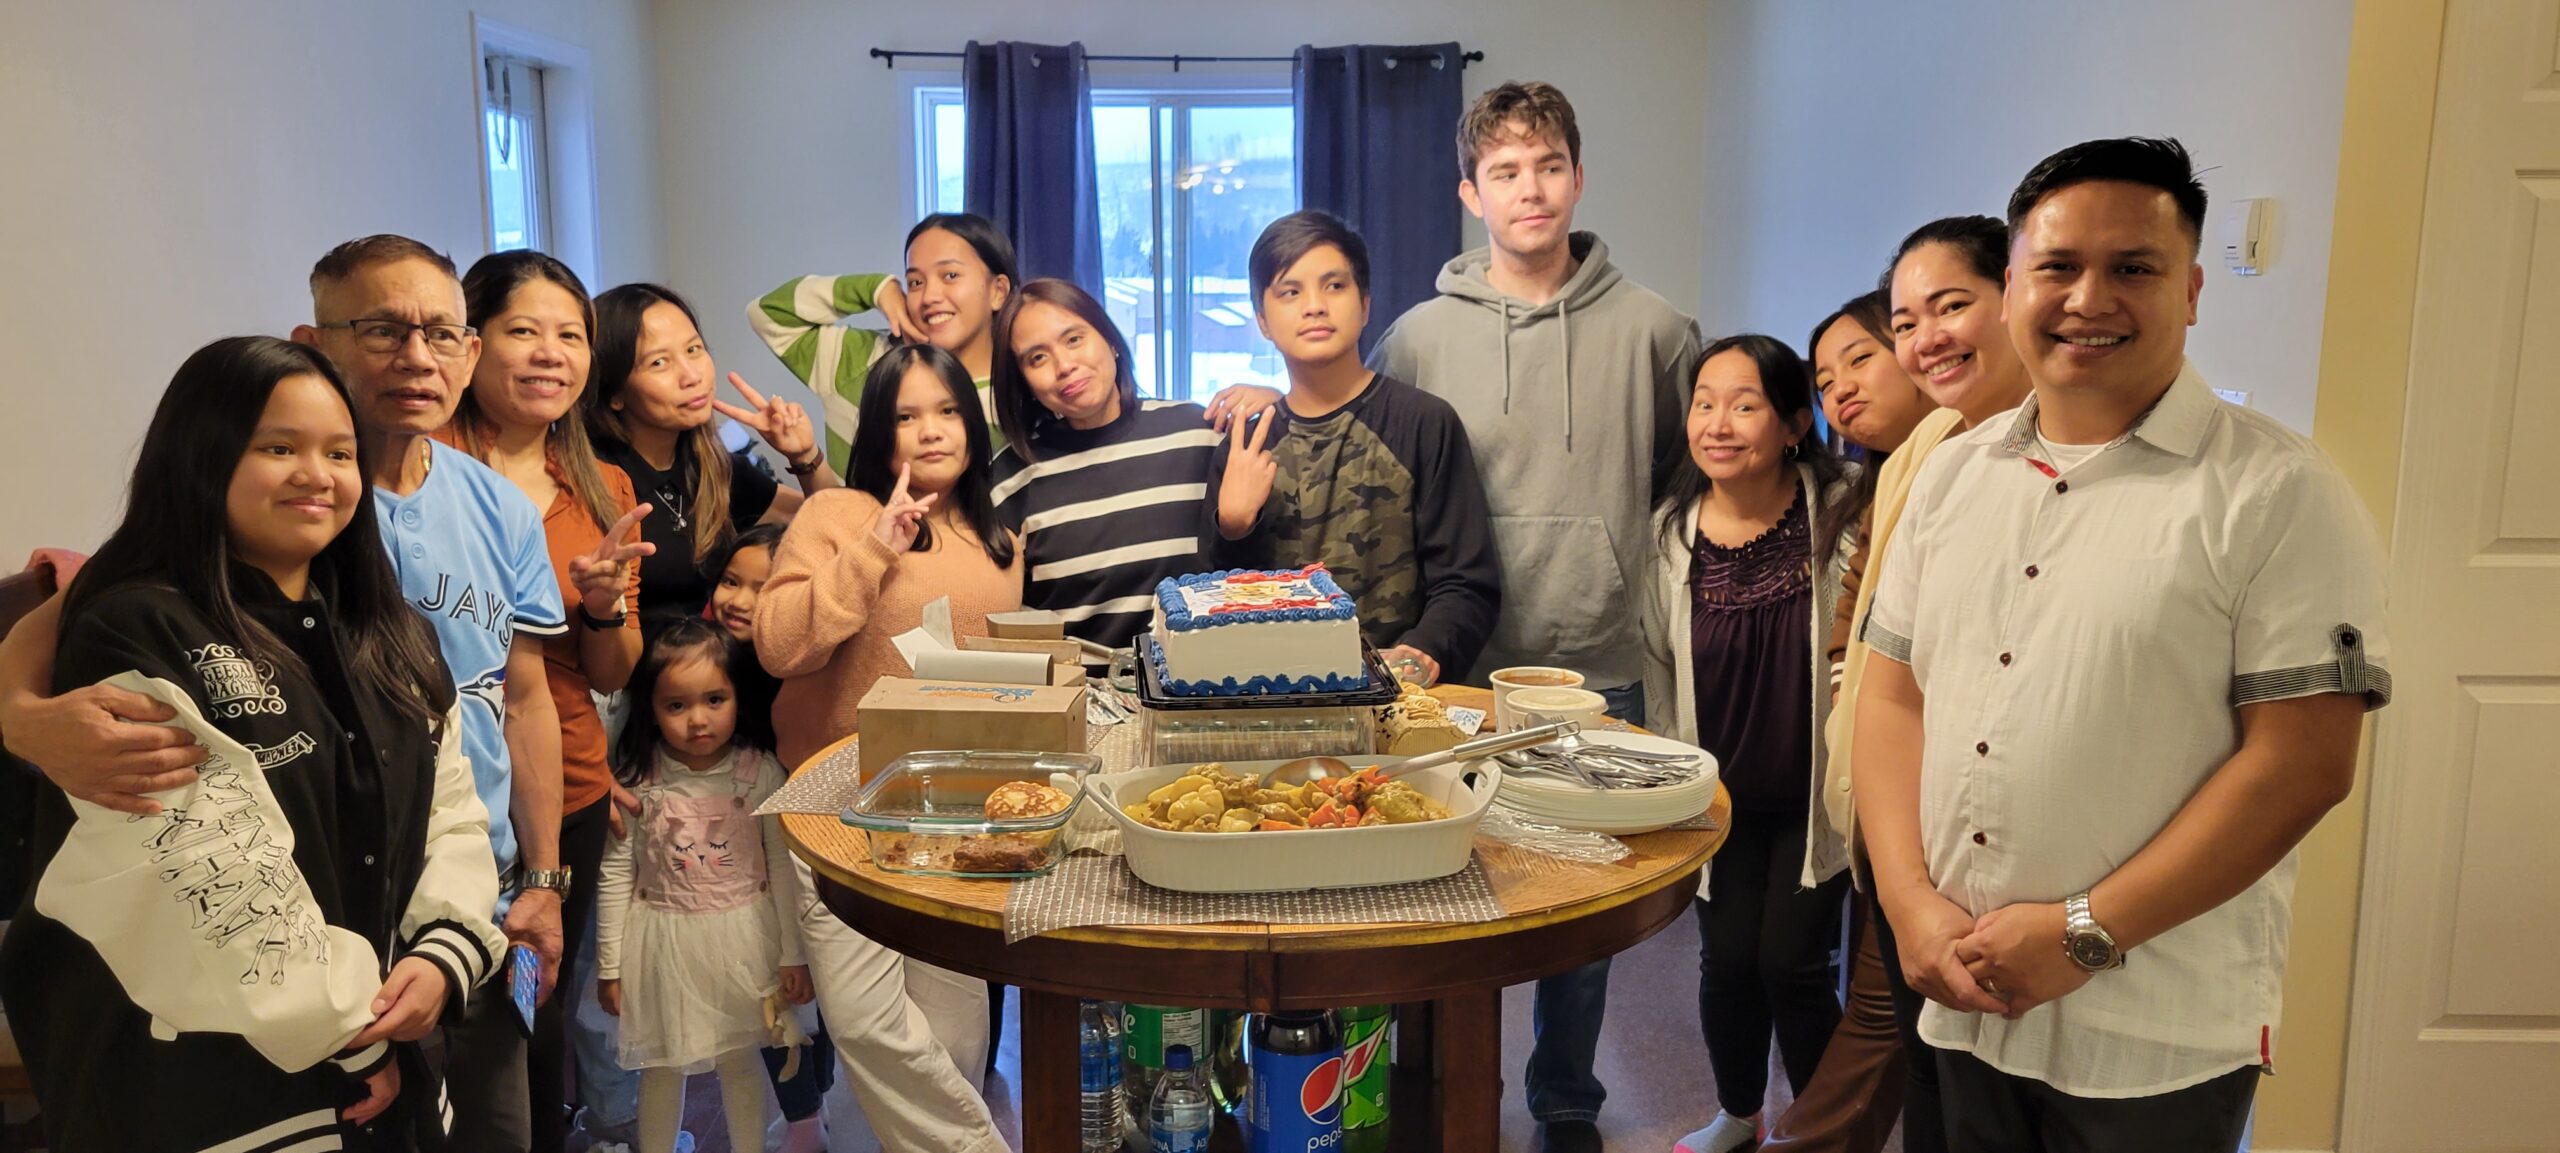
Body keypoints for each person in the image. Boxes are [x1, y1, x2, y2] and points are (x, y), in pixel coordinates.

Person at [1856, 138, 2391, 1153]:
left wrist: (2082, 932)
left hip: (2153, 1028)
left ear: (2190, 291)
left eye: (2133, 268)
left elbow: (2302, 764)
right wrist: (1907, 899)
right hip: (1962, 984)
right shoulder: (1953, 474)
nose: (2087, 298)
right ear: (2015, 286)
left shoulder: (2279, 492)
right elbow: (1893, 697)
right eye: (2058, 266)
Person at [0, 336, 505, 1151]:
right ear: (200, 457)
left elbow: (450, 809)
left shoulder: (389, 632)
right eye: (278, 448)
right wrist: (353, 1035)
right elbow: (208, 875)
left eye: (339, 452)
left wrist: (445, 951)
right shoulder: (139, 625)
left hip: (378, 1060)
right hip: (209, 1094)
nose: (317, 474)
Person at [1368, 80, 1702, 1153]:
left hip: (1598, 660)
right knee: (1429, 880)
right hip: (1454, 662)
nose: (1530, 189)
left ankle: (1566, 1097)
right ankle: (1426, 1080)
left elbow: (1681, 484)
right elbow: (1376, 468)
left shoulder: (1656, 330)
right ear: (1472, 193)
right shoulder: (1416, 337)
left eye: (1548, 165)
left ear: (1579, 178)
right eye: (1505, 170)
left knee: (1582, 902)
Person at [755, 343, 1016, 1153]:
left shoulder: (999, 541)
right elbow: (779, 645)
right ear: (877, 430)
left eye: (947, 410)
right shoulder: (837, 513)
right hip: (838, 804)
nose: (931, 429)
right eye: (906, 415)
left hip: (955, 811)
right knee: (867, 1020)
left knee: (957, 1029)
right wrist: (874, 546)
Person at [444, 249, 653, 1153]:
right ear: (473, 341)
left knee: (531, 1004)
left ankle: (541, 1130)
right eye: (523, 330)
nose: (549, 354)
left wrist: (603, 605)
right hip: (444, 789)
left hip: (561, 787)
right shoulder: (422, 463)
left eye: (570, 335)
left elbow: (609, 672)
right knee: (451, 1010)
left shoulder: (601, 486)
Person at [1637, 335, 1853, 1153]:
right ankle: (1739, 1114)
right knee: (1726, 962)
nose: (1717, 423)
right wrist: (1673, 790)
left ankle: (1820, 1129)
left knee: (1790, 963)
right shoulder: (1671, 531)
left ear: (1795, 423)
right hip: (1719, 799)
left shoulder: (1844, 512)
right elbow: (1660, 668)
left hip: (1815, 794)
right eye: (1704, 403)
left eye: (1744, 403)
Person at [1750, 290, 1943, 1153]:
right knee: (1895, 1016)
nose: (1841, 391)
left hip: (1933, 794)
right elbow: (1854, 640)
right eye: (1825, 380)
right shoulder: (1879, 485)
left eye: (1861, 358)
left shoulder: (1953, 465)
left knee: (1883, 1016)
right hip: (1879, 787)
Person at [1210, 210, 1501, 685]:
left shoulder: (1423, 423)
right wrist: (1233, 526)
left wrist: (1420, 654)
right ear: (1262, 321)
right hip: (1273, 699)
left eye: (1334, 286)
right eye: (1290, 292)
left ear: (1365, 304)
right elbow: (1211, 608)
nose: (1314, 306)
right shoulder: (1246, 447)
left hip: (1402, 697)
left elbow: (1466, 585)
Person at [597, 619, 812, 1153]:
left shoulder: (760, 773)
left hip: (744, 945)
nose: (697, 720)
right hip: (662, 948)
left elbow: (783, 867)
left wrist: (794, 953)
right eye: (677, 705)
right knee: (662, 1067)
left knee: (741, 1061)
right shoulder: (639, 779)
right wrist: (609, 965)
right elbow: (616, 872)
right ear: (652, 708)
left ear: (737, 696)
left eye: (714, 699)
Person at [988, 279, 1276, 654]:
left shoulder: (1200, 433)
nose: (1065, 365)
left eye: (1074, 339)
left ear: (1110, 340)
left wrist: (1280, 401)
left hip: (1196, 677)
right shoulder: (1011, 477)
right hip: (1075, 686)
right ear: (1023, 381)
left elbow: (1256, 568)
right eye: (1037, 358)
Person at [587, 283, 839, 644]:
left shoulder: (716, 469)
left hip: (710, 670)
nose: (692, 376)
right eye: (659, 362)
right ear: (614, 393)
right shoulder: (595, 477)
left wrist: (804, 456)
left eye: (694, 349)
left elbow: (835, 525)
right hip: (629, 670)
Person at [698, 522, 831, 1153]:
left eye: (763, 588)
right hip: (730, 852)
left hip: (796, 839)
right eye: (731, 581)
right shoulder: (703, 656)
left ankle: (815, 1109)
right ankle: (804, 1115)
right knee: (768, 987)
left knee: (808, 980)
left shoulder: (804, 670)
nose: (741, 601)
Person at [750, 213, 1016, 464]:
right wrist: (875, 289)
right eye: (915, 282)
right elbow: (767, 313)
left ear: (998, 291)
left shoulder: (1019, 392)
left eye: (950, 275)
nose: (929, 296)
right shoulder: (861, 359)